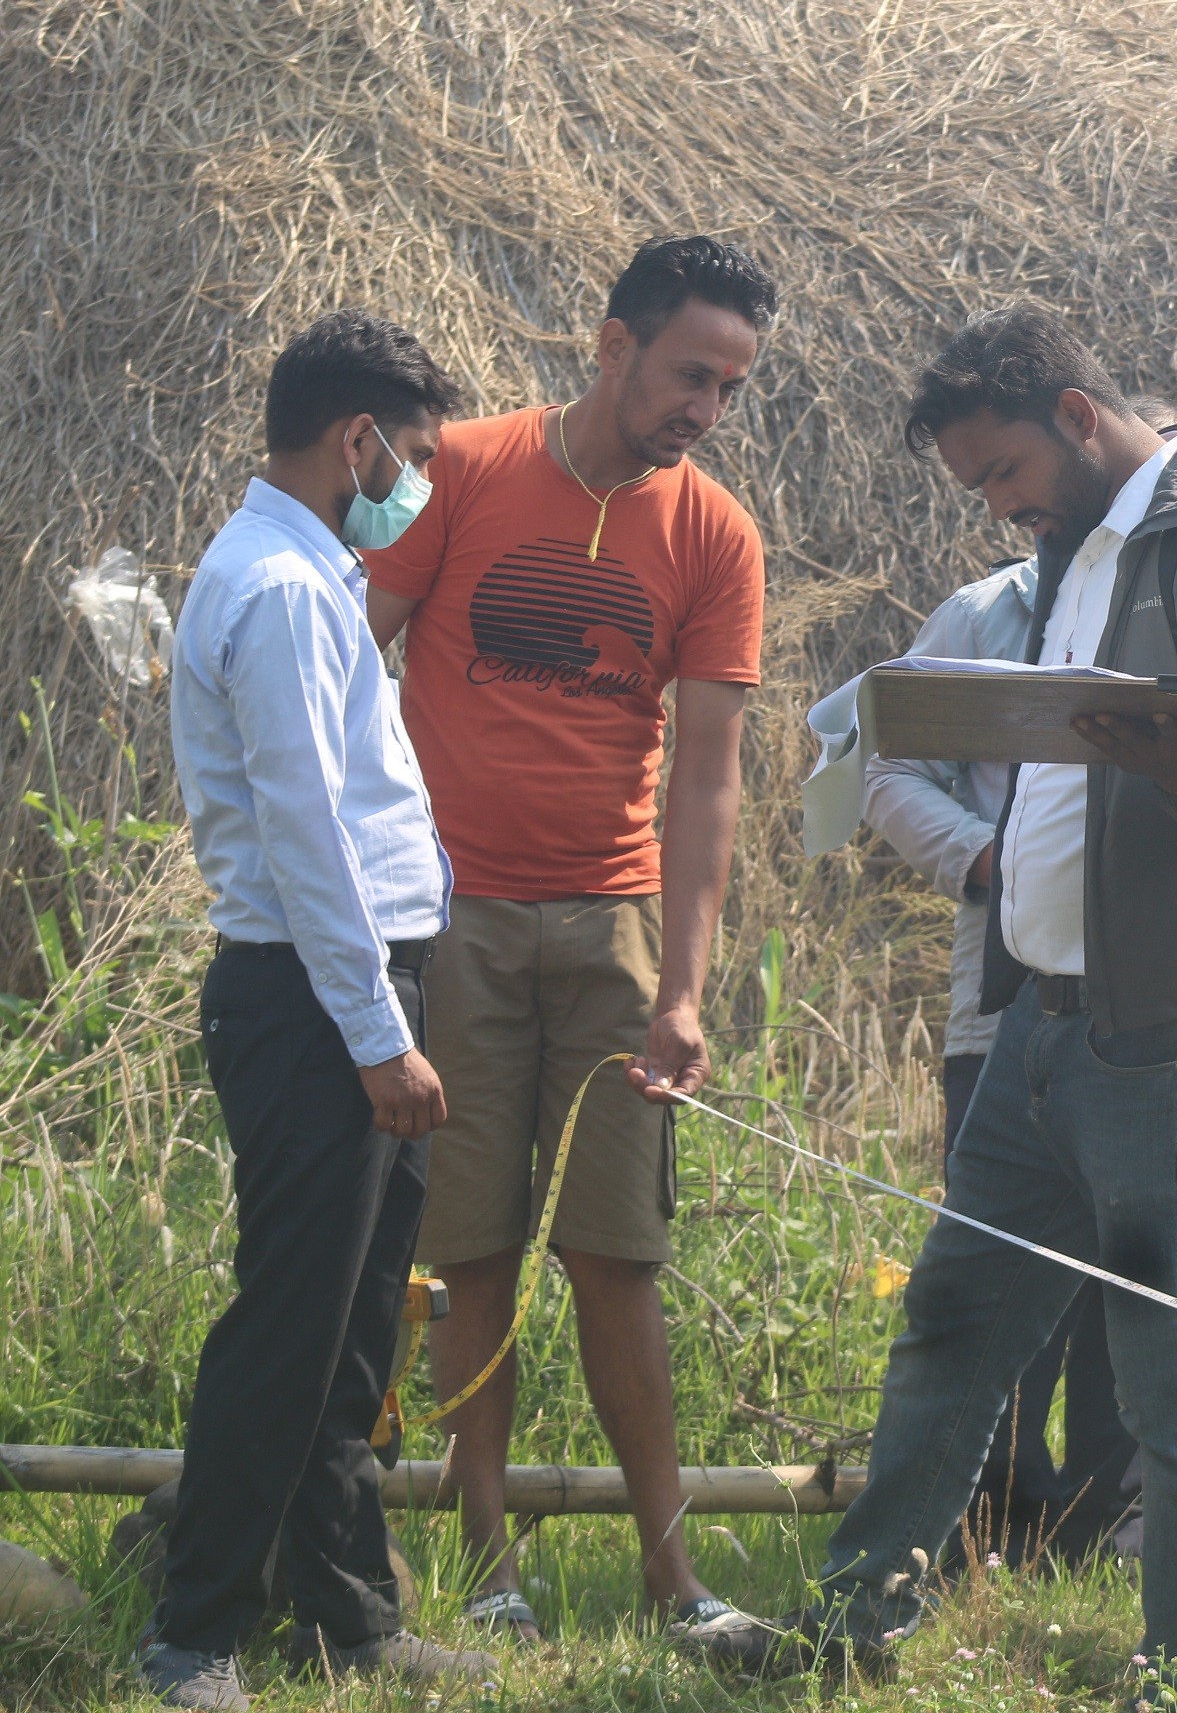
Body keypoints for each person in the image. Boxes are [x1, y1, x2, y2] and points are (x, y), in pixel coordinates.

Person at [707, 304, 1177, 1688]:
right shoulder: (1068, 554)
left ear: (1080, 419)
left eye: (1003, 473)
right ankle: (851, 1638)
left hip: (1172, 1039)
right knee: (952, 1331)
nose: (997, 503)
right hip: (1040, 1022)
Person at [361, 236, 776, 1645]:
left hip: (611, 934)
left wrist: (689, 989)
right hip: (450, 923)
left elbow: (708, 774)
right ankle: (491, 1576)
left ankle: (676, 1583)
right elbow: (351, 650)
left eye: (727, 389)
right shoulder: (463, 472)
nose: (703, 410)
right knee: (469, 1252)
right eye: (687, 376)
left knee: (618, 1254)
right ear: (612, 348)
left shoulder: (716, 535)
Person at [150, 311, 492, 1709]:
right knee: (291, 1321)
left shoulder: (309, 571)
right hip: (313, 997)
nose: (412, 482)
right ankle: (200, 1630)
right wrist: (379, 1037)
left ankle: (348, 1615)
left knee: (358, 1322)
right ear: (355, 440)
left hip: (358, 985)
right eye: (406, 456)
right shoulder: (285, 592)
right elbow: (308, 836)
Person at [859, 550, 1142, 1566]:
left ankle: (1115, 1524)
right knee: (999, 1271)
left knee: (1137, 1276)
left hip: (1159, 1014)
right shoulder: (984, 614)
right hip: (1008, 1003)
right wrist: (987, 858)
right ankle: (989, 1523)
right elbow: (887, 764)